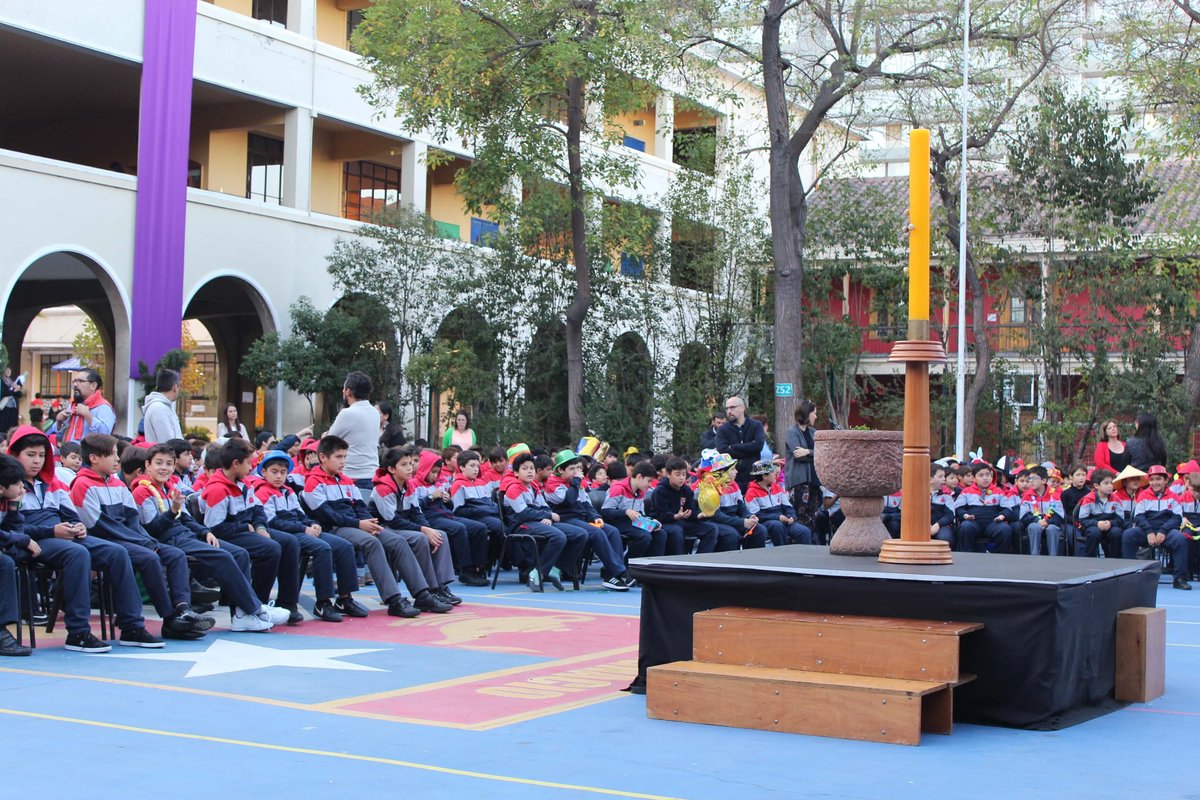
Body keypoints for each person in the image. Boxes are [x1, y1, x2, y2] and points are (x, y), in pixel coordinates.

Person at [8, 426, 165, 649]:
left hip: (62, 533)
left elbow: (70, 514)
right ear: (15, 455)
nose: (37, 461)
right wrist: (51, 531)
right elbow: (11, 527)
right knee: (77, 553)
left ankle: (132, 626)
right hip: (35, 540)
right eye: (30, 455)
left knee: (117, 552)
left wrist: (77, 527)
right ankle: (78, 632)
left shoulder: (53, 483)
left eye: (42, 455)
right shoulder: (8, 486)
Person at [69, 433, 214, 639]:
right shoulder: (82, 484)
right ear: (94, 458)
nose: (117, 459)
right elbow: (100, 526)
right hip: (105, 541)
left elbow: (132, 520)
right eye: (112, 454)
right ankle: (170, 618)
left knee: (175, 555)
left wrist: (146, 541)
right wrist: (142, 543)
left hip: (128, 539)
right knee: (149, 557)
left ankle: (183, 609)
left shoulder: (118, 484)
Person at [133, 443, 287, 631]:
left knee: (240, 553)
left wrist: (205, 532)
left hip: (187, 535)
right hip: (169, 540)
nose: (164, 468)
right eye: (159, 463)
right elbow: (153, 529)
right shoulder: (142, 491)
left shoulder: (170, 487)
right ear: (147, 465)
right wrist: (172, 511)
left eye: (169, 463)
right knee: (223, 556)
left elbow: (187, 519)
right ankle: (255, 608)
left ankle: (241, 615)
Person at [304, 435, 444, 616]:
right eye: (338, 457)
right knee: (372, 543)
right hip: (334, 528)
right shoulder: (313, 482)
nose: (343, 461)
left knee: (397, 540)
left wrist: (370, 523)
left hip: (356, 525)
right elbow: (326, 515)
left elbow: (360, 507)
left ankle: (422, 594)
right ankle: (393, 599)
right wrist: (358, 524)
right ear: (323, 457)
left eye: (345, 457)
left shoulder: (346, 480)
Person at [200, 437, 300, 620]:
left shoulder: (245, 483)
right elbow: (215, 528)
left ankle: (288, 602)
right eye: (248, 463)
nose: (251, 467)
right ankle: (256, 603)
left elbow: (257, 510)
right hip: (229, 535)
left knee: (289, 542)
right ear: (235, 464)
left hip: (249, 529)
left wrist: (260, 527)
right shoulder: (218, 489)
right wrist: (245, 527)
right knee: (270, 548)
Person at [254, 451, 358, 622]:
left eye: (283, 472)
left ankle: (345, 599)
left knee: (344, 546)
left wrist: (312, 524)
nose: (279, 476)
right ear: (263, 472)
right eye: (274, 472)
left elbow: (300, 514)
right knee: (322, 548)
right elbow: (273, 522)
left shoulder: (288, 491)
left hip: (302, 529)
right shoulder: (262, 492)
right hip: (288, 533)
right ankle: (323, 602)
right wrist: (303, 528)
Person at [368, 446, 461, 608]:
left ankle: (440, 586)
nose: (410, 468)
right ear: (391, 469)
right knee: (419, 538)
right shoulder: (382, 488)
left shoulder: (408, 485)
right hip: (383, 527)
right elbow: (393, 520)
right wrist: (423, 530)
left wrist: (428, 529)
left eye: (411, 463)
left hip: (401, 525)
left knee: (439, 535)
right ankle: (429, 590)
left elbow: (416, 512)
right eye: (404, 464)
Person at [543, 449, 632, 590]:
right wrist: (576, 482)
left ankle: (611, 575)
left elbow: (586, 504)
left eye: (577, 468)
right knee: (596, 533)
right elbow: (569, 500)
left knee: (612, 531)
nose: (575, 472)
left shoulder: (576, 483)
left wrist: (596, 517)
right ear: (560, 469)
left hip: (582, 519)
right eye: (571, 469)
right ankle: (620, 572)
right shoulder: (552, 484)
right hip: (565, 519)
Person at [500, 451, 587, 592]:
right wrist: (547, 515)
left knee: (580, 534)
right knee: (558, 536)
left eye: (531, 468)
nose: (529, 471)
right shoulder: (513, 489)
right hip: (521, 525)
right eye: (524, 469)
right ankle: (537, 572)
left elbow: (544, 507)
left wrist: (547, 517)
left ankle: (556, 568)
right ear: (516, 473)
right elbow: (523, 513)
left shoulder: (534, 488)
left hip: (537, 522)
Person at [1130, 464, 1191, 589]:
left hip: (1167, 531)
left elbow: (1177, 518)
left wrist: (1163, 531)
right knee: (1128, 535)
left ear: (1166, 480)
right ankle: (1129, 577)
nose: (1154, 483)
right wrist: (1149, 532)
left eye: (1158, 479)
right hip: (1147, 530)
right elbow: (1138, 516)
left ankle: (1179, 578)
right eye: (1151, 479)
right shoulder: (1143, 495)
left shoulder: (1174, 496)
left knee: (1180, 539)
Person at [445, 449, 500, 586]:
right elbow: (458, 510)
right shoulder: (458, 485)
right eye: (472, 465)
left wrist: (490, 509)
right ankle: (476, 567)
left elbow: (490, 503)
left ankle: (487, 561)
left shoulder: (481, 483)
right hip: (475, 517)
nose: (476, 469)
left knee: (504, 526)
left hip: (486, 514)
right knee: (497, 527)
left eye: (477, 466)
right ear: (462, 467)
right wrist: (481, 510)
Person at [647, 457, 719, 555]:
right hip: (664, 523)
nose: (681, 478)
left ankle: (701, 559)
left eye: (684, 474)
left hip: (682, 522)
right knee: (676, 531)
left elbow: (691, 511)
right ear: (668, 474)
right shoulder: (660, 491)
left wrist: (700, 515)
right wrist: (675, 516)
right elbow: (660, 514)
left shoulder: (687, 491)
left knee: (711, 529)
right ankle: (679, 560)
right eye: (677, 474)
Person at [326, 372, 381, 495]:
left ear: (348, 391)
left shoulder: (348, 413)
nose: (342, 391)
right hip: (372, 474)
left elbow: (328, 441)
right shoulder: (375, 413)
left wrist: (324, 435)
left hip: (352, 476)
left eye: (344, 388)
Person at [744, 459, 813, 545]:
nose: (775, 474)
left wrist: (791, 516)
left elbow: (788, 507)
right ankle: (783, 552)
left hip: (783, 520)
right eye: (772, 472)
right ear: (764, 476)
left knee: (804, 531)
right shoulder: (751, 492)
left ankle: (802, 553)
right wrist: (777, 517)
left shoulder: (777, 488)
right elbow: (756, 515)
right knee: (777, 526)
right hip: (766, 522)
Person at [601, 461, 661, 559]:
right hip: (616, 522)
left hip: (632, 522)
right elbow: (605, 512)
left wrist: (651, 521)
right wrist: (625, 512)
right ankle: (627, 564)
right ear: (639, 477)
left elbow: (640, 513)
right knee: (644, 537)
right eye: (649, 481)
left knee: (660, 533)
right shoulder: (618, 488)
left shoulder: (640, 491)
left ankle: (650, 564)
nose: (650, 485)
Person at [954, 462, 1014, 553]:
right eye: (981, 475)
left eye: (987, 475)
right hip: (973, 522)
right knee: (965, 527)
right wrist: (965, 515)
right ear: (974, 478)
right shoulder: (966, 491)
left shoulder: (998, 491)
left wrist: (1002, 516)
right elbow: (959, 508)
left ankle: (1000, 558)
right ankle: (966, 557)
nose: (985, 478)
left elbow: (1008, 509)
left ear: (991, 476)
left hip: (993, 522)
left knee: (1004, 529)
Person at [714, 397, 766, 493]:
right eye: (727, 408)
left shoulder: (756, 425)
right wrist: (750, 448)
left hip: (754, 477)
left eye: (732, 407)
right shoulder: (723, 429)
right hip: (733, 480)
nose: (729, 411)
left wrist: (735, 446)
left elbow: (758, 446)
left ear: (742, 407)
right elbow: (723, 451)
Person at [784, 401, 821, 525]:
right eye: (814, 413)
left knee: (813, 518)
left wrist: (807, 451)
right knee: (800, 518)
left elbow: (822, 453)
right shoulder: (791, 432)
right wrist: (814, 454)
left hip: (814, 481)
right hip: (799, 482)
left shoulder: (813, 432)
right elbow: (799, 456)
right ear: (807, 413)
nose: (816, 416)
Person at [55, 370, 115, 444]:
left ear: (93, 386)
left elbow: (105, 436)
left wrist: (87, 415)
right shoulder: (73, 405)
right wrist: (59, 421)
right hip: (68, 450)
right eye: (75, 381)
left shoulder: (103, 407)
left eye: (80, 381)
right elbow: (59, 436)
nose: (75, 385)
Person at [1076, 468, 1124, 558]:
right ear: (1096, 486)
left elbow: (1120, 519)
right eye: (1106, 483)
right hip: (1093, 526)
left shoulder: (1116, 499)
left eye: (1111, 483)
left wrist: (1111, 523)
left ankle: (1114, 559)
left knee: (1116, 532)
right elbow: (1083, 520)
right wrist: (1097, 523)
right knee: (1094, 533)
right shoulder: (1088, 499)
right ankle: (1090, 559)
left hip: (1110, 526)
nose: (1110, 486)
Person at [1019, 466, 1064, 556]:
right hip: (1034, 523)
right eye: (1029, 478)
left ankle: (1053, 557)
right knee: (1035, 527)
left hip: (1051, 523)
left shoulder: (1054, 495)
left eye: (1034, 478)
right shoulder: (1027, 496)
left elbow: (1060, 515)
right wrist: (1037, 521)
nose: (1031, 481)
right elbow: (1024, 515)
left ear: (1043, 480)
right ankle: (1034, 556)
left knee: (1052, 529)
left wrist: (1047, 522)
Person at [142, 369, 184, 445]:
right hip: (164, 452)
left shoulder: (162, 407)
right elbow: (168, 443)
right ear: (175, 387)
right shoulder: (159, 409)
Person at [0, 368, 22, 434]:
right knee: (4, 425)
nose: (8, 372)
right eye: (6, 370)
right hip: (4, 406)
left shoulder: (12, 382)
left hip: (13, 406)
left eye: (9, 370)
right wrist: (13, 390)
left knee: (11, 424)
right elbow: (5, 392)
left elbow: (19, 394)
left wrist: (17, 388)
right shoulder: (1, 381)